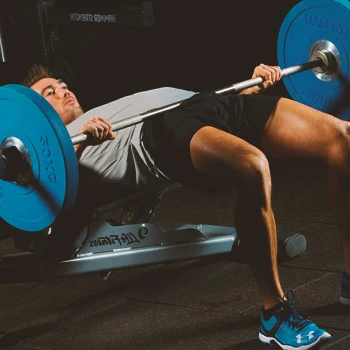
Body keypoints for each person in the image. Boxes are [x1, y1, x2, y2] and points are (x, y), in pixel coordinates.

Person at [21, 61, 349, 349]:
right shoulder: (53, 152)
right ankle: (274, 314)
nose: (62, 90)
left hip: (207, 102)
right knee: (253, 168)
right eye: (49, 92)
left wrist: (248, 90)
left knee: (343, 139)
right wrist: (74, 148)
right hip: (161, 132)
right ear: (32, 119)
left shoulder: (99, 114)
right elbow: (53, 201)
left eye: (61, 84)